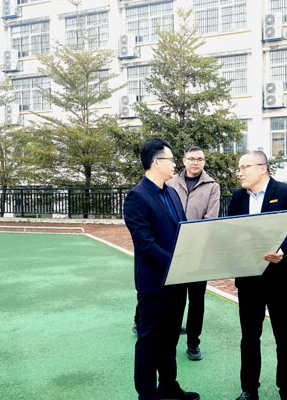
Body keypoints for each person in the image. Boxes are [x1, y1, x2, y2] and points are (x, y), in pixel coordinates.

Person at [124, 139, 200, 400]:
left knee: (170, 339)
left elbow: (183, 231)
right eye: (171, 159)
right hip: (154, 284)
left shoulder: (172, 193)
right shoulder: (136, 197)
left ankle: (168, 386)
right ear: (156, 162)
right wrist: (176, 263)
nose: (175, 164)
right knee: (149, 341)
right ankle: (146, 394)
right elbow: (144, 243)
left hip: (177, 281)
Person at [227, 150, 287, 400]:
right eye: (239, 168)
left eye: (244, 167)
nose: (239, 173)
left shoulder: (286, 193)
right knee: (249, 336)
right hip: (249, 276)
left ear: (262, 168)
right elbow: (230, 230)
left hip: (280, 275)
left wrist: (281, 250)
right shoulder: (238, 197)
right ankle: (249, 389)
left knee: (284, 335)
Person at [166, 145, 220, 361]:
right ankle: (169, 342)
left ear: (204, 162)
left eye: (200, 159)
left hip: (199, 252)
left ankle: (193, 342)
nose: (196, 162)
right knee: (175, 299)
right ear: (184, 160)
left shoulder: (212, 186)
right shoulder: (170, 183)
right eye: (191, 158)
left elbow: (211, 219)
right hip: (174, 251)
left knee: (197, 300)